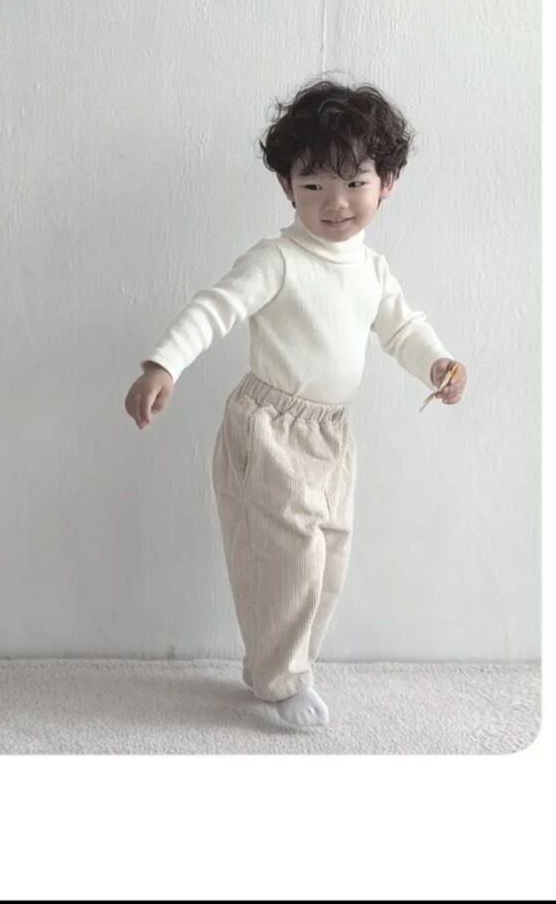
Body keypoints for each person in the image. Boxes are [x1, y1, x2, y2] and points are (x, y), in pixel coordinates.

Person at [124, 78, 468, 731]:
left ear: (387, 184)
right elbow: (216, 307)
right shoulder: (278, 259)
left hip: (331, 435)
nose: (334, 202)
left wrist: (439, 363)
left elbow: (402, 328)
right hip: (271, 428)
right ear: (288, 187)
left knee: (328, 559)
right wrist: (163, 362)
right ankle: (282, 678)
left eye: (354, 182)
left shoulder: (371, 269)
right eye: (313, 185)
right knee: (290, 560)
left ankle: (287, 663)